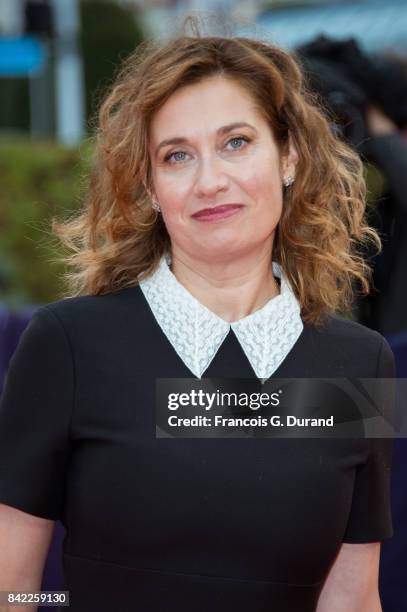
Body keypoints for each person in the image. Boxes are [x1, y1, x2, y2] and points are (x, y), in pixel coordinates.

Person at [0, 20, 396, 612]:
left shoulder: (360, 365)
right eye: (177, 155)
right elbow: (13, 588)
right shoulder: (69, 347)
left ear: (288, 157)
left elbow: (352, 595)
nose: (210, 181)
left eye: (236, 142)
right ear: (151, 186)